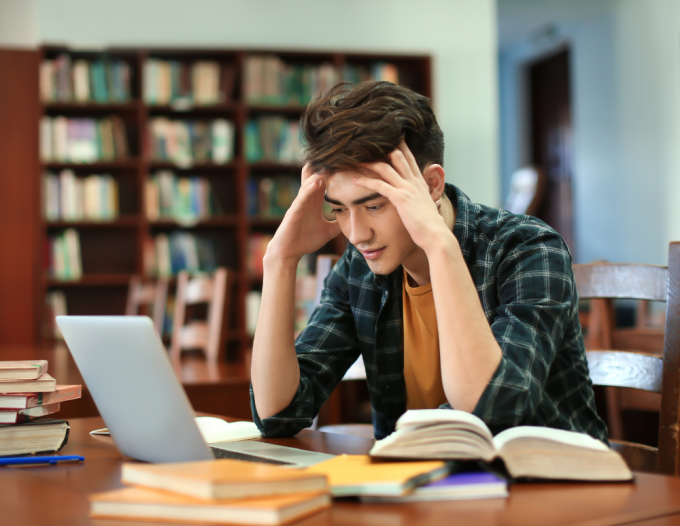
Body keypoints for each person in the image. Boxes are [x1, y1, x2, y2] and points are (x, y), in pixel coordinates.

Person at [250, 81, 608, 443]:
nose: (357, 235)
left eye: (374, 205)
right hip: (424, 486)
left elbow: (492, 412)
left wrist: (439, 244)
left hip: (550, 486)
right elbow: (278, 414)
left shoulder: (528, 248)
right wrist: (280, 260)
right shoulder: (359, 271)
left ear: (433, 184)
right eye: (340, 209)